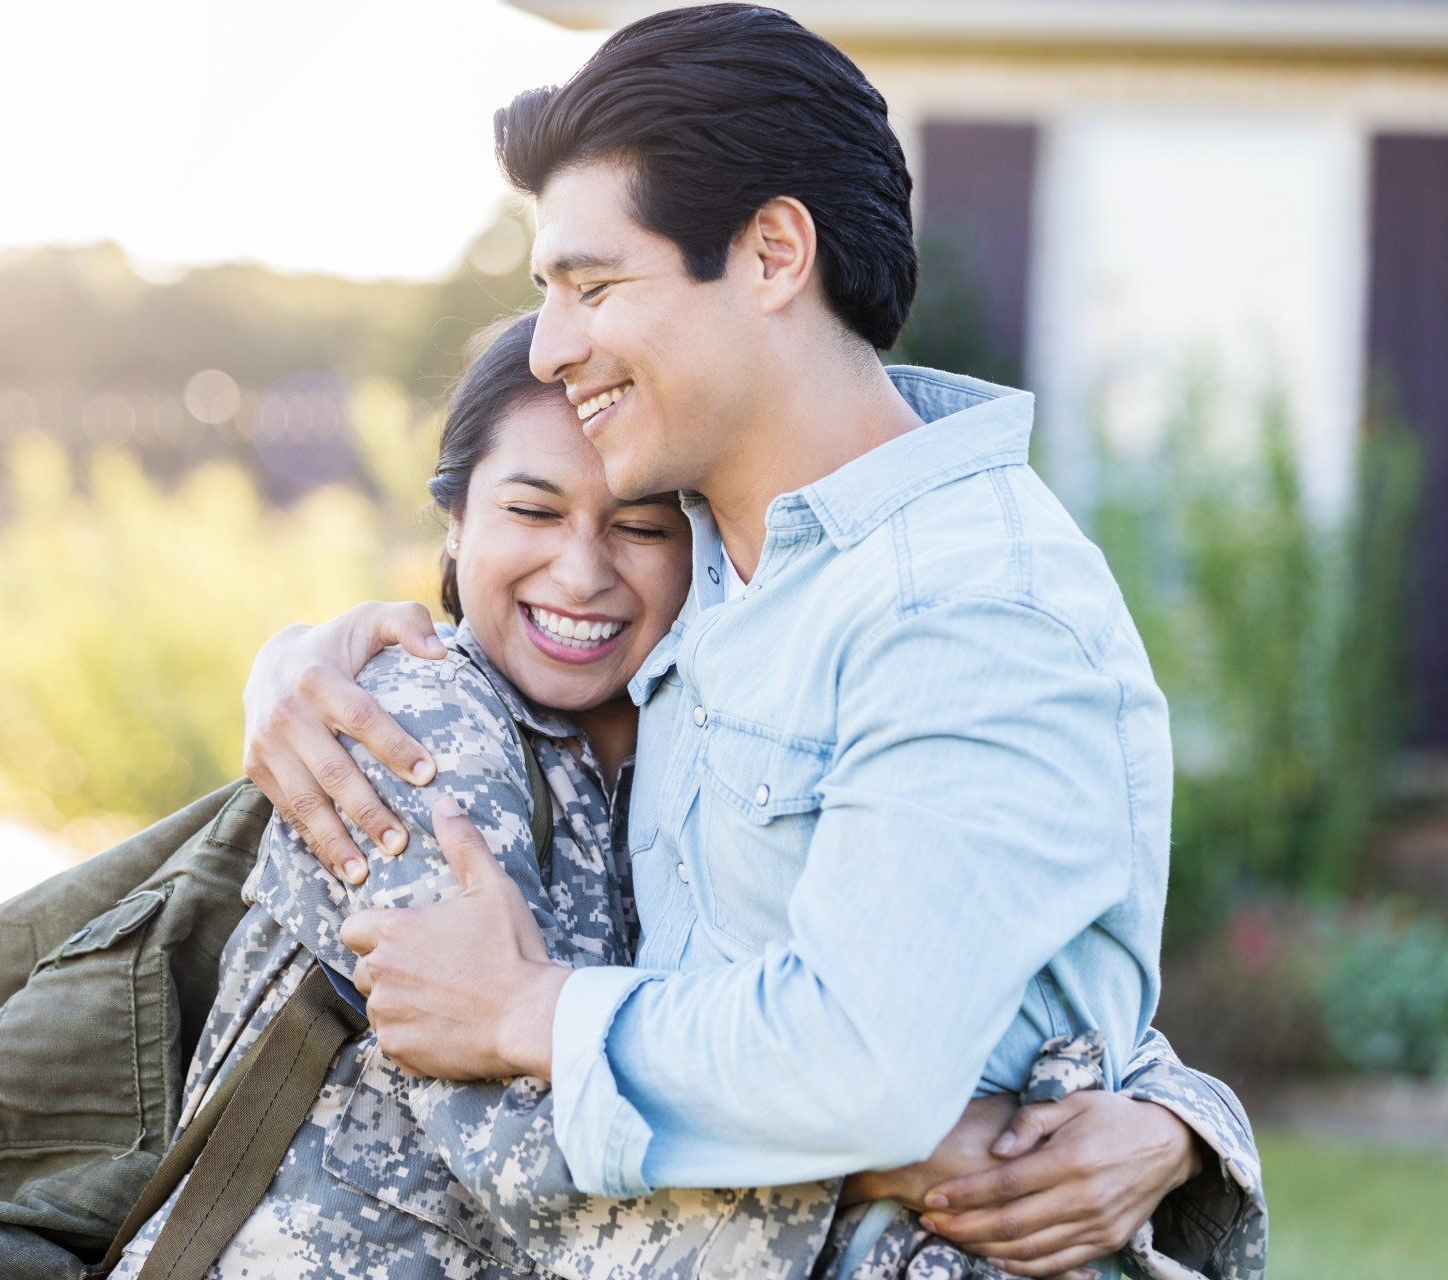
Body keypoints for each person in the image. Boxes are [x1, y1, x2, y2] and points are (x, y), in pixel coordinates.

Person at [236, 7, 1266, 1278]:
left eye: (593, 286)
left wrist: (526, 1010)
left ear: (774, 252)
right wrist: (304, 654)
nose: (551, 347)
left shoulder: (968, 605)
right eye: (547, 294)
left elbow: (868, 1057)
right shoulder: (710, 565)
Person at [111, 313, 1259, 1280]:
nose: (581, 570)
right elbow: (527, 1154)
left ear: (701, 546)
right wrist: (901, 1144)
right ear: (453, 523)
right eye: (532, 511)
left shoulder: (705, 736)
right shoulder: (414, 727)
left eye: (639, 525)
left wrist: (1177, 1127)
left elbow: (924, 975)